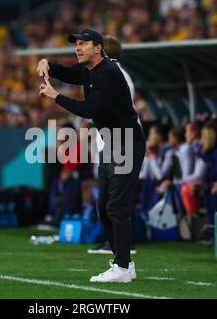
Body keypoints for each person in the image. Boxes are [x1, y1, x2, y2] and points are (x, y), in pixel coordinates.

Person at [37, 28, 145, 283]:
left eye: (83, 44)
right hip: (113, 143)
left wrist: (56, 96)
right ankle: (124, 263)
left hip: (127, 143)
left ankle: (121, 265)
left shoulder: (108, 72)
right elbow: (69, 72)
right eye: (77, 44)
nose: (78, 47)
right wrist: (47, 64)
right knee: (103, 206)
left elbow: (89, 109)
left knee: (116, 207)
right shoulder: (91, 69)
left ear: (98, 48)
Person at [87, 35, 138, 255]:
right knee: (107, 202)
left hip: (121, 141)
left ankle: (123, 252)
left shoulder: (115, 74)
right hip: (111, 141)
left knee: (116, 202)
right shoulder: (110, 73)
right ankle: (117, 246)